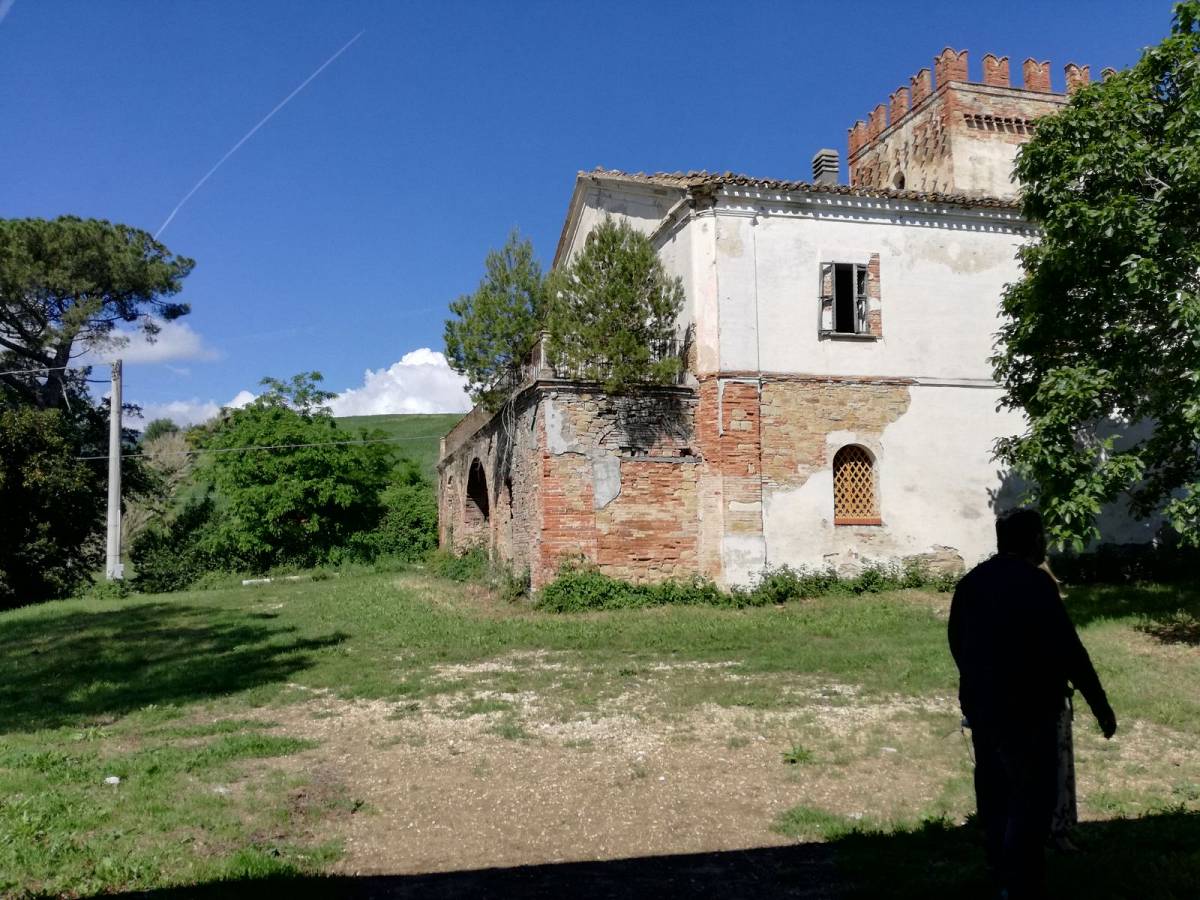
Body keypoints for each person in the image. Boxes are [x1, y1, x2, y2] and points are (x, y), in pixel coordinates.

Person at [948, 509, 1116, 898]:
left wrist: (976, 685)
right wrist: (1100, 704)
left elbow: (957, 642)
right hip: (1029, 709)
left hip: (984, 707)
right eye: (1042, 536)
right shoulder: (1035, 583)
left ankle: (1000, 871)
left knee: (994, 790)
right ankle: (1022, 881)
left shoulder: (971, 583)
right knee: (1031, 797)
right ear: (1031, 540)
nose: (1045, 544)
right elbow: (1070, 649)